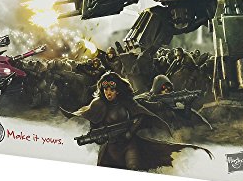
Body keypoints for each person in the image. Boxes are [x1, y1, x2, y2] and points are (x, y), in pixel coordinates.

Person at [62, 72, 212, 171]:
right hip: (109, 147)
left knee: (133, 168)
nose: (108, 92)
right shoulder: (98, 104)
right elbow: (94, 123)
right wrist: (98, 137)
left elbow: (141, 115)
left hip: (129, 145)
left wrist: (131, 131)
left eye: (111, 89)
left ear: (118, 90)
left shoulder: (128, 102)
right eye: (105, 89)